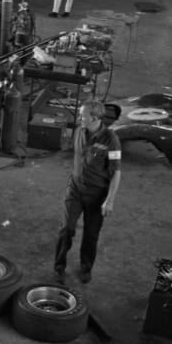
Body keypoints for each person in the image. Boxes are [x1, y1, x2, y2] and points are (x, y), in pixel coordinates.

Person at [53, 100, 121, 285]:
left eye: (83, 116)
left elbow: (116, 172)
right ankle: (59, 267)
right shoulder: (79, 131)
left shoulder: (111, 140)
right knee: (66, 229)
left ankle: (86, 267)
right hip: (75, 188)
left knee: (91, 234)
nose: (79, 118)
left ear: (95, 118)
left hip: (96, 193)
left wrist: (110, 200)